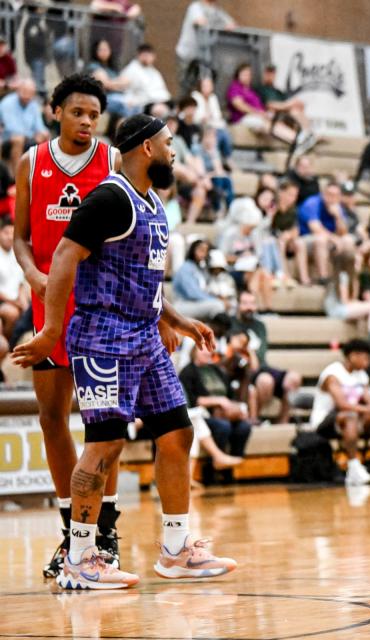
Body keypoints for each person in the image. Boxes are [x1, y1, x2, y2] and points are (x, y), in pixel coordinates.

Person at [13, 114, 237, 589]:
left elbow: (146, 279)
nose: (176, 152)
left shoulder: (153, 201)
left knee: (177, 433)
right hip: (102, 336)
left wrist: (178, 321)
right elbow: (65, 258)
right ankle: (79, 557)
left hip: (145, 337)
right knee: (106, 443)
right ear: (147, 148)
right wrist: (51, 329)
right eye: (169, 143)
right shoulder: (110, 198)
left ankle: (176, 550)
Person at [10, 75, 132, 579]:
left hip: (101, 308)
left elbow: (127, 236)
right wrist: (35, 274)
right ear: (55, 110)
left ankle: (105, 530)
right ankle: (70, 530)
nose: (86, 122)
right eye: (77, 112)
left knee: (105, 426)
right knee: (52, 416)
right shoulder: (31, 163)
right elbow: (19, 238)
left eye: (93, 115)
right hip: (49, 307)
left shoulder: (111, 161)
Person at [309, 339, 370, 486]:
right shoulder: (332, 374)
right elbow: (341, 405)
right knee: (350, 416)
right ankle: (353, 467)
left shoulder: (361, 375)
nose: (368, 362)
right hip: (325, 420)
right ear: (353, 356)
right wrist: (369, 409)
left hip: (351, 418)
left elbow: (369, 401)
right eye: (365, 358)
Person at [232, 291, 303, 424]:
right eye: (245, 303)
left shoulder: (260, 326)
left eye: (252, 303)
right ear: (238, 305)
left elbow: (261, 352)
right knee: (266, 381)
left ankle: (282, 421)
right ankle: (254, 419)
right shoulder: (232, 324)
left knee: (294, 378)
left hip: (262, 366)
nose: (249, 307)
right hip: (244, 370)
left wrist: (250, 352)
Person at [178, 342, 252, 461]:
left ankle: (234, 467)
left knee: (244, 427)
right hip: (203, 414)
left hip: (225, 412)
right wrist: (218, 401)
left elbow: (230, 395)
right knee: (223, 426)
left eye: (209, 349)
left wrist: (238, 408)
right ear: (194, 352)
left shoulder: (216, 370)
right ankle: (213, 468)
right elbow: (192, 401)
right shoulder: (187, 372)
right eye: (203, 349)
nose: (208, 352)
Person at [176, 0, 235, 91]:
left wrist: (225, 26)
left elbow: (232, 25)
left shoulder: (216, 10)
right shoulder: (195, 6)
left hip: (203, 58)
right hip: (188, 55)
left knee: (203, 88)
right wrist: (221, 26)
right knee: (187, 88)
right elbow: (200, 22)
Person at [1, 79, 49, 172]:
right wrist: (32, 135)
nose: (26, 96)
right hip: (7, 139)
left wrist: (42, 133)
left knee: (45, 135)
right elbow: (11, 128)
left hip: (27, 138)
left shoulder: (33, 105)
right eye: (24, 92)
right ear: (18, 90)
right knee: (19, 138)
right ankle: (16, 178)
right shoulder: (7, 103)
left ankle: (43, 173)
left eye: (30, 93)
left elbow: (40, 126)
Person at [172, 239, 226, 319]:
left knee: (226, 304)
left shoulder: (200, 269)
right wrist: (214, 299)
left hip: (196, 303)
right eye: (201, 250)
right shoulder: (186, 268)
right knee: (218, 305)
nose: (203, 253)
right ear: (193, 250)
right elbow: (192, 294)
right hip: (183, 304)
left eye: (206, 251)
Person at [85, 39, 134, 119]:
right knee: (125, 106)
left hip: (118, 96)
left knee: (137, 105)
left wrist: (113, 83)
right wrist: (116, 84)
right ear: (95, 51)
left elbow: (127, 82)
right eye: (101, 49)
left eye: (106, 49)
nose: (104, 51)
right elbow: (106, 84)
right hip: (103, 98)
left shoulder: (112, 69)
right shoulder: (93, 66)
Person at [120, 44, 172, 115]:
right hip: (144, 104)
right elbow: (124, 86)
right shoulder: (132, 69)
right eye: (144, 55)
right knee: (159, 110)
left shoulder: (154, 72)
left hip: (162, 100)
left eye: (149, 55)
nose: (146, 58)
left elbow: (162, 90)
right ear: (139, 55)